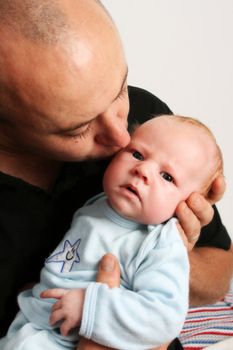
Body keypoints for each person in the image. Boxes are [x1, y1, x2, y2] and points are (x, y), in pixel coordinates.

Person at [0, 0, 232, 349]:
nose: (124, 139)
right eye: (78, 128)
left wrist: (167, 256)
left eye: (119, 88)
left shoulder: (152, 127)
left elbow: (216, 276)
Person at [0, 115, 225, 350]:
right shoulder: (97, 204)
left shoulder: (160, 243)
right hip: (32, 325)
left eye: (167, 176)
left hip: (74, 338)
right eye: (137, 154)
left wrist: (89, 307)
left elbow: (163, 317)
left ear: (188, 204)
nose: (143, 170)